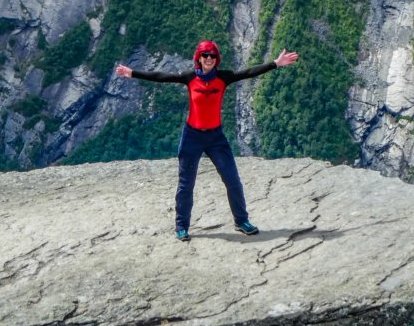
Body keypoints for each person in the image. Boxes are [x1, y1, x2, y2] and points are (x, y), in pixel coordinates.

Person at [115, 40, 299, 241]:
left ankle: (241, 221)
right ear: (199, 58)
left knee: (232, 180)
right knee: (186, 184)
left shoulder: (223, 77)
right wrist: (132, 73)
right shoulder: (190, 77)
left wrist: (275, 63)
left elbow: (248, 73)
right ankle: (181, 226)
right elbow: (162, 77)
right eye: (205, 55)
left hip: (215, 138)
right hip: (192, 137)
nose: (209, 58)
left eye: (212, 55)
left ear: (216, 58)